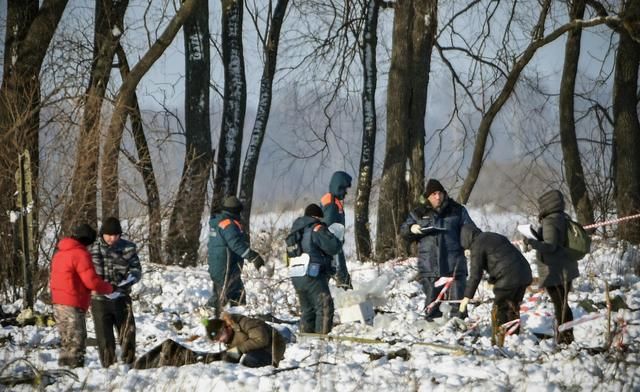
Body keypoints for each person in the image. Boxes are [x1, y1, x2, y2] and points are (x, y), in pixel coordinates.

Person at [400, 179, 476, 320]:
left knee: (458, 303)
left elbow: (470, 229)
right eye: (434, 194)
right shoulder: (418, 212)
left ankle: (458, 325)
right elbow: (403, 231)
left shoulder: (457, 210)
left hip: (454, 263)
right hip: (429, 264)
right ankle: (432, 327)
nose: (437, 197)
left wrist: (470, 245)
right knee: (432, 304)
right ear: (428, 196)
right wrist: (411, 228)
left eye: (440, 193)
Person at [50, 223, 113, 368]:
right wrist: (109, 288)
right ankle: (74, 374)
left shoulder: (60, 252)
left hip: (59, 303)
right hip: (72, 303)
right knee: (76, 343)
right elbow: (91, 282)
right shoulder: (80, 253)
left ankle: (65, 375)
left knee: (67, 342)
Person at [458, 224, 532, 346]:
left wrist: (466, 297)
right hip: (524, 272)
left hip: (508, 277)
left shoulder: (476, 245)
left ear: (465, 239)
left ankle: (500, 341)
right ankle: (514, 338)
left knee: (500, 309)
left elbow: (475, 275)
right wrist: (492, 280)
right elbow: (501, 258)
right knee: (513, 307)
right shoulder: (493, 236)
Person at [522, 189, 579, 345]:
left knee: (560, 306)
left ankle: (565, 339)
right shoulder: (562, 218)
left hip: (555, 271)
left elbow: (550, 247)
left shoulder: (550, 221)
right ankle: (566, 337)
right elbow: (554, 241)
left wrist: (531, 242)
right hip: (565, 269)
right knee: (562, 304)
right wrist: (537, 235)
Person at [90, 217, 142, 367]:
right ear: (102, 234)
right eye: (109, 235)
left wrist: (130, 279)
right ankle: (108, 366)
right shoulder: (92, 249)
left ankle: (129, 363)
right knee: (104, 337)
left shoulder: (128, 248)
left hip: (122, 297)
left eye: (116, 235)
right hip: (99, 300)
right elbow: (86, 273)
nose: (112, 238)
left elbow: (137, 270)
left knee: (128, 333)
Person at [288, 203, 342, 334]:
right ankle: (320, 341)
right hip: (312, 274)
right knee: (324, 306)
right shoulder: (316, 228)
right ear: (316, 217)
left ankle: (306, 339)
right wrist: (338, 238)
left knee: (308, 310)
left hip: (296, 274)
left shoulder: (295, 231)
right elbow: (334, 247)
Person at [207, 196, 265, 315]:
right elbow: (236, 244)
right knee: (220, 297)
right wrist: (253, 256)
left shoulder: (219, 222)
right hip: (225, 267)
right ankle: (205, 318)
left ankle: (239, 319)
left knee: (238, 294)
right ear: (236, 210)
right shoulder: (228, 225)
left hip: (224, 266)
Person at [204, 311, 287, 368]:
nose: (220, 340)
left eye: (219, 336)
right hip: (254, 350)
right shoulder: (229, 338)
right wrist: (219, 356)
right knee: (227, 358)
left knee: (249, 360)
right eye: (217, 340)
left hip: (272, 347)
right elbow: (236, 351)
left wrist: (238, 349)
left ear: (226, 328)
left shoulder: (244, 323)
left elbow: (261, 340)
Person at [320, 171, 353, 289]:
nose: (346, 192)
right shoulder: (331, 204)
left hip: (332, 248)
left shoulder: (332, 201)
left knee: (324, 283)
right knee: (342, 281)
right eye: (344, 189)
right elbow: (329, 231)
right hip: (332, 249)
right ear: (339, 187)